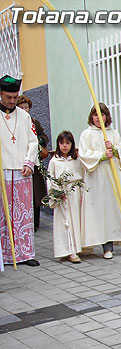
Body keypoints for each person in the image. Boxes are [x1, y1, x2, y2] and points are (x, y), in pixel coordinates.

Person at [78, 103, 121, 259]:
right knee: (103, 211)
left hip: (115, 177)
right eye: (95, 115)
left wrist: (114, 149)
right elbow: (84, 154)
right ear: (91, 117)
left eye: (102, 115)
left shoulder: (113, 134)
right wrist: (102, 156)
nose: (98, 118)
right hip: (97, 179)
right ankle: (107, 247)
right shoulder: (86, 135)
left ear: (107, 116)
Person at [0, 75, 40, 267]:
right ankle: (5, 256)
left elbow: (33, 141)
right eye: (8, 97)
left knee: (24, 212)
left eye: (15, 97)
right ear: (1, 94)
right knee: (4, 213)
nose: (12, 101)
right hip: (3, 170)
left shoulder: (24, 116)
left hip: (22, 170)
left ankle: (25, 254)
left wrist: (28, 162)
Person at [48, 131, 83, 263]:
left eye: (67, 143)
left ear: (72, 144)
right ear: (58, 144)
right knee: (65, 221)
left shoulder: (76, 160)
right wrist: (57, 193)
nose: (64, 146)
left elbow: (81, 176)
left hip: (74, 193)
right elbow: (51, 178)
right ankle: (68, 250)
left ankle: (77, 247)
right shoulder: (54, 161)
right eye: (62, 143)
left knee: (75, 220)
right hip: (62, 194)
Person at [16, 94, 48, 232]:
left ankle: (35, 223)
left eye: (26, 107)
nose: (24, 109)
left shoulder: (34, 122)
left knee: (36, 193)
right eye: (21, 107)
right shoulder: (15, 122)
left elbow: (44, 136)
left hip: (34, 161)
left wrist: (38, 140)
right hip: (21, 161)